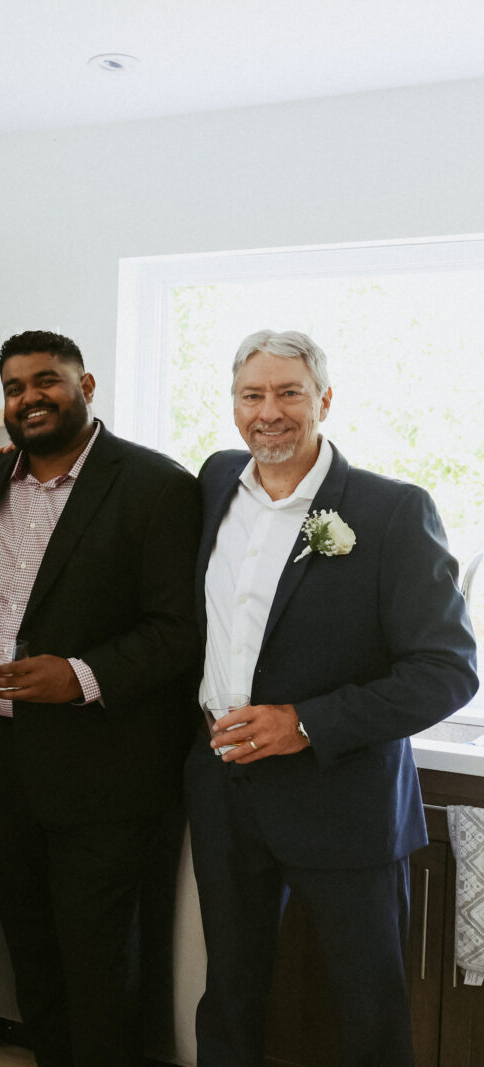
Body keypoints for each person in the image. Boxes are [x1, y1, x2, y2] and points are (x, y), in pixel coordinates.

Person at [185, 329, 478, 1067]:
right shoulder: (216, 481)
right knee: (231, 994)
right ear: (234, 404)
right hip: (225, 792)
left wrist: (306, 722)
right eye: (252, 394)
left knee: (367, 1008)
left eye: (289, 392)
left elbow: (448, 669)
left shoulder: (390, 512)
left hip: (344, 801)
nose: (269, 411)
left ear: (325, 399)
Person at [0, 330, 201, 1066]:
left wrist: (79, 674)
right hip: (7, 766)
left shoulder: (157, 486)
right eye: (14, 386)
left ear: (87, 384)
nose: (30, 396)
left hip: (107, 774)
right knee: (30, 955)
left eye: (47, 380)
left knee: (101, 968)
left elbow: (177, 632)